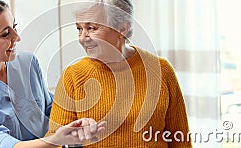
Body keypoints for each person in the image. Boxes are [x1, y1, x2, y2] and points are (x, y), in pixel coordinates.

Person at [0, 0, 106, 147]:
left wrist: (77, 124)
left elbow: (51, 111)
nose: (17, 37)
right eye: (6, 34)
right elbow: (2, 144)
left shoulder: (27, 63)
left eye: (14, 27)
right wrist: (55, 140)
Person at [46, 0, 192, 147]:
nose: (82, 38)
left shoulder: (161, 70)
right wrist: (73, 134)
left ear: (122, 28)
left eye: (91, 28)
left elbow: (180, 139)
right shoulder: (73, 75)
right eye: (79, 29)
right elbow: (54, 141)